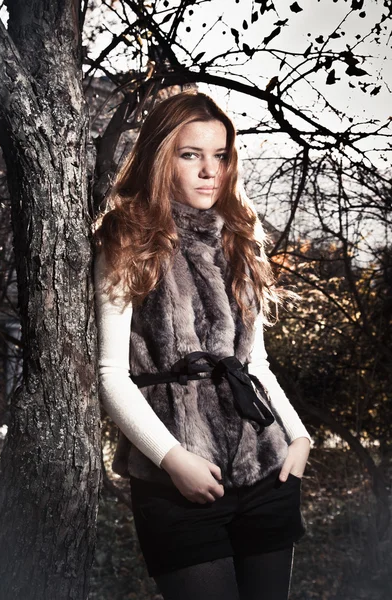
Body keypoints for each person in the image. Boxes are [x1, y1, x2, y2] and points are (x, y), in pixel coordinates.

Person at [93, 90, 311, 600]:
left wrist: (298, 438)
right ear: (161, 157)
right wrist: (173, 460)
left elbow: (253, 360)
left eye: (220, 155)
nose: (209, 170)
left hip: (267, 469)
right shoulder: (127, 237)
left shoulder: (240, 236)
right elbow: (111, 374)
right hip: (178, 483)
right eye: (191, 155)